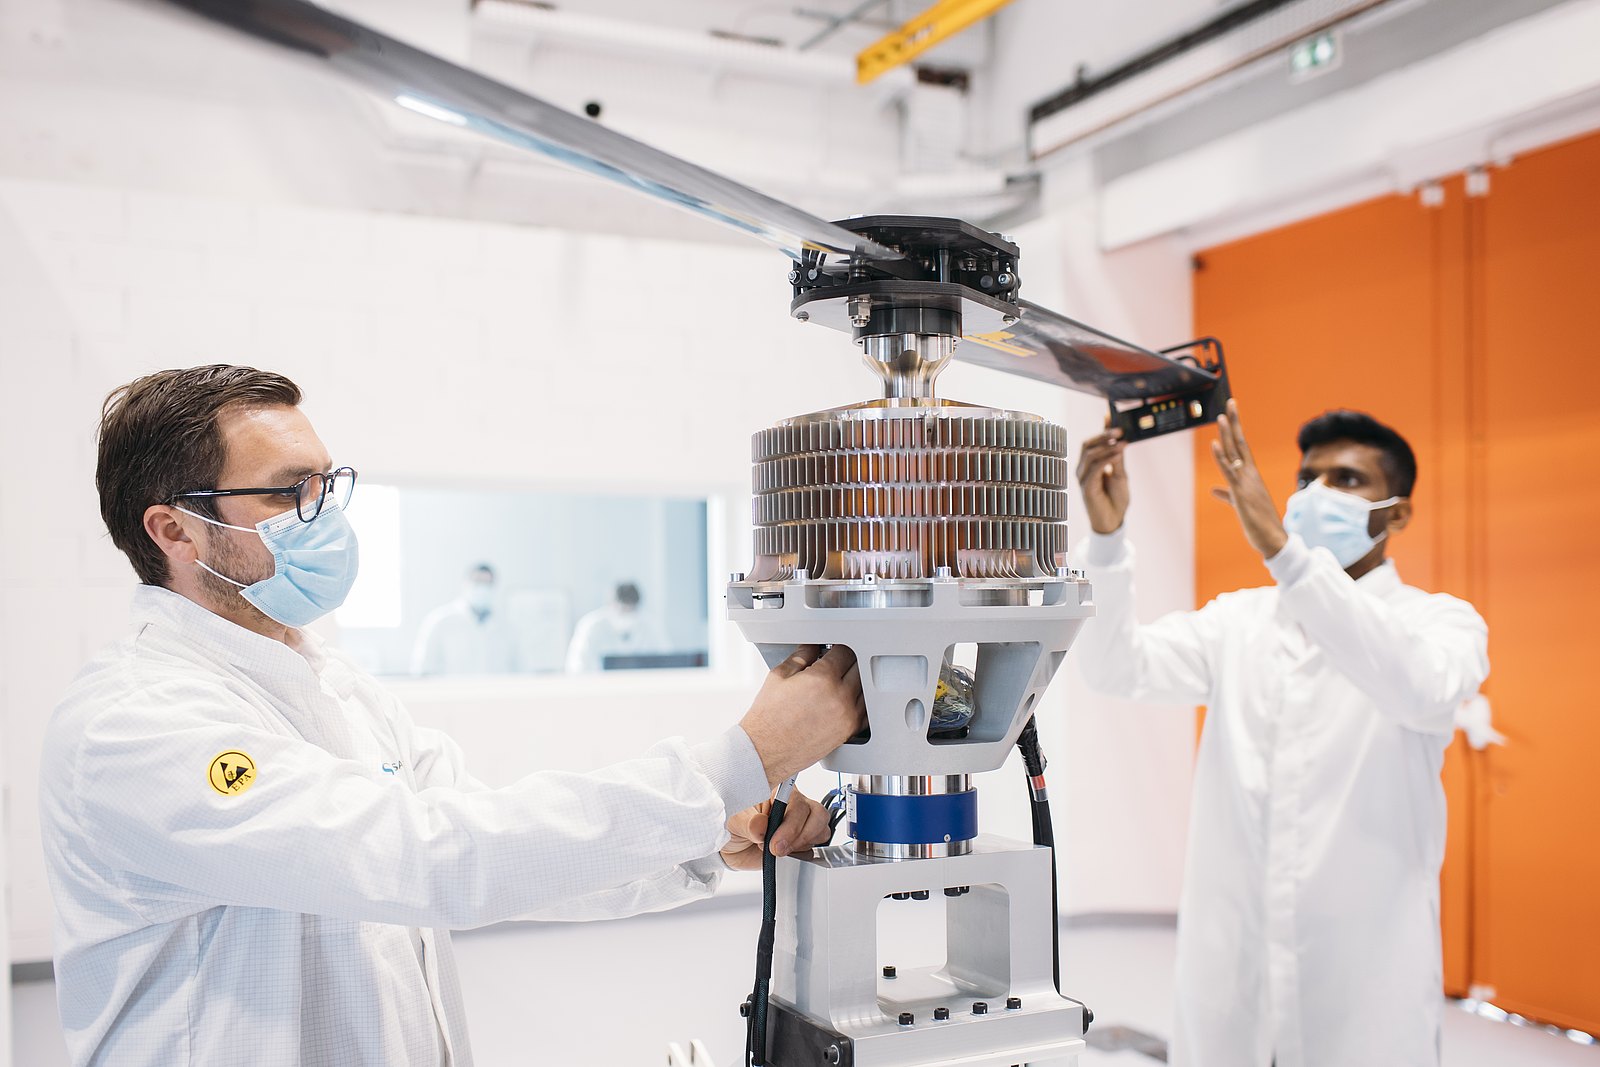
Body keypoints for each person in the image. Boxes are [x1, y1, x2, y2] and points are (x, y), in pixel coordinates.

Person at [40, 365, 864, 1067]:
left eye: (327, 484)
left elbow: (501, 841)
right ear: (175, 530)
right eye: (291, 493)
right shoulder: (135, 722)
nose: (325, 513)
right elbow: (433, 859)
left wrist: (707, 834)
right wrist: (742, 758)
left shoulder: (334, 686)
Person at [1072, 401, 1488, 1067]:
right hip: (1231, 971)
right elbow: (1115, 666)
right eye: (1306, 478)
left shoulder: (1441, 624)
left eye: (1347, 480)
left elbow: (1419, 686)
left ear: (1398, 513)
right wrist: (1106, 540)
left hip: (1363, 981)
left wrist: (1284, 553)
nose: (1318, 494)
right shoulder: (1239, 622)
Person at [412, 562, 518, 675]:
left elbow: (519, 669)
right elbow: (423, 668)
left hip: (495, 686)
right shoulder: (440, 620)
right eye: (477, 582)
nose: (482, 588)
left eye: (487, 584)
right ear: (465, 584)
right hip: (452, 686)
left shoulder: (507, 626)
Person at [565, 580, 668, 672]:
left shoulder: (649, 625)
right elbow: (577, 665)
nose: (627, 614)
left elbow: (666, 659)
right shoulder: (591, 626)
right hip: (600, 684)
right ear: (611, 604)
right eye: (623, 609)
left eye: (631, 610)